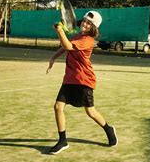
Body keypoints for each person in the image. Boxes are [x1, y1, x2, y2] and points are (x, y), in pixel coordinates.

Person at [46, 11, 117, 154]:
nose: (85, 24)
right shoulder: (78, 36)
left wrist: (60, 31)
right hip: (70, 78)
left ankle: (108, 129)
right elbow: (65, 46)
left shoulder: (88, 40)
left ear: (93, 28)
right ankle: (62, 140)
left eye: (89, 23)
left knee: (90, 111)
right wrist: (53, 57)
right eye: (84, 21)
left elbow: (67, 46)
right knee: (58, 107)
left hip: (84, 80)